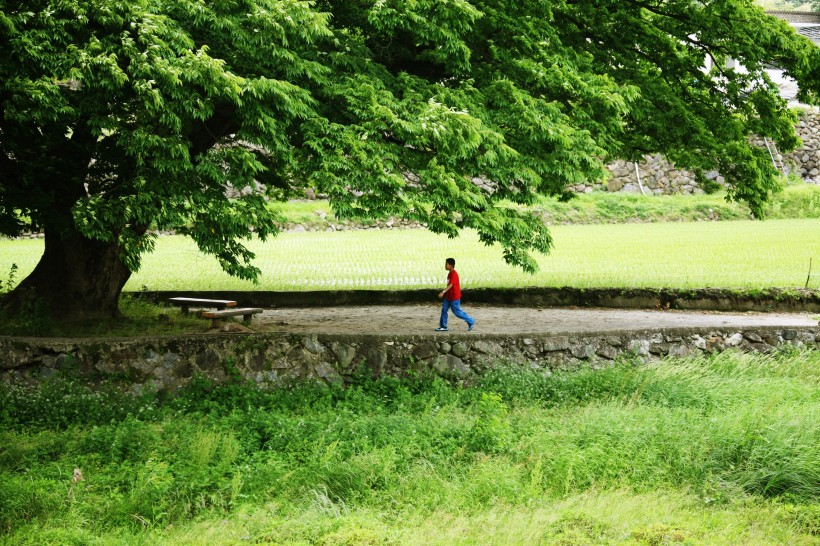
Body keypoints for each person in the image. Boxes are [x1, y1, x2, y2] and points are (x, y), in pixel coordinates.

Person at [436, 258, 476, 332]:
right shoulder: (450, 273)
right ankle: (443, 326)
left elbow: (451, 285)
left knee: (457, 312)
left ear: (451, 265)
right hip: (448, 296)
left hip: (454, 297)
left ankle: (471, 321)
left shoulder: (454, 274)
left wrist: (443, 292)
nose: (445, 265)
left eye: (446, 264)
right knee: (444, 310)